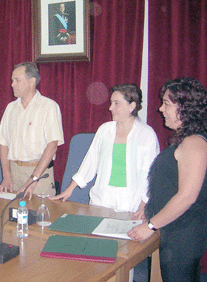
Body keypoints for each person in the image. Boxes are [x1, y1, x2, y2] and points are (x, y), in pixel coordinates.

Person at [128, 77, 207, 281]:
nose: (160, 109)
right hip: (177, 227)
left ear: (186, 107)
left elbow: (186, 197)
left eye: (166, 103)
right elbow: (170, 185)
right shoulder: (189, 139)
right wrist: (150, 211)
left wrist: (150, 226)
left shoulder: (193, 144)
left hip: (184, 232)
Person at [50, 84, 160, 217]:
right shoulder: (105, 130)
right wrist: (68, 190)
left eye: (117, 103)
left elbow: (151, 175)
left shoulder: (146, 135)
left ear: (132, 106)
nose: (110, 108)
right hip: (101, 202)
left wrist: (143, 206)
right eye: (111, 103)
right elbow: (90, 163)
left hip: (131, 206)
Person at [0, 62, 64, 199]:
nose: (12, 84)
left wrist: (33, 179)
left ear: (32, 82)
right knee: (13, 216)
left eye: (17, 80)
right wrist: (6, 175)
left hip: (39, 174)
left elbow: (52, 146)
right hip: (14, 173)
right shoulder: (10, 108)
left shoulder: (48, 106)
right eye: (12, 80)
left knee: (39, 216)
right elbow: (3, 143)